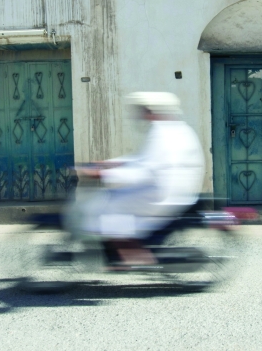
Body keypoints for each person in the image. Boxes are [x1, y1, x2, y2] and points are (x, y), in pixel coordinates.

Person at [66, 92, 205, 265]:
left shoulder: (163, 134)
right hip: (168, 191)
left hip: (158, 194)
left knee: (106, 208)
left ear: (154, 111)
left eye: (146, 110)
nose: (143, 115)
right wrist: (109, 164)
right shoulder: (176, 129)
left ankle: (135, 255)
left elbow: (146, 170)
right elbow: (141, 160)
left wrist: (105, 174)